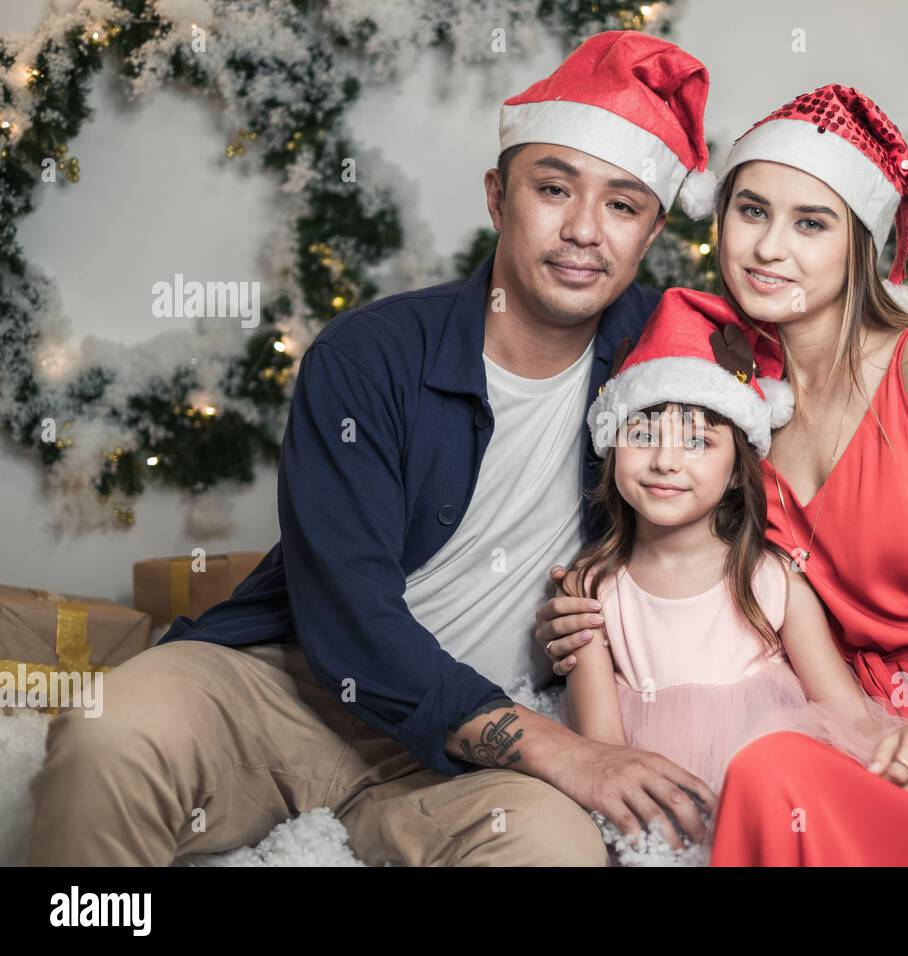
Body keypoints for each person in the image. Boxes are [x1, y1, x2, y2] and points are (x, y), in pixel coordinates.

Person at [26, 30, 721, 867]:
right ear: (499, 198)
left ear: (650, 234)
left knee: (552, 849)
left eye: (621, 204)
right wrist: (558, 748)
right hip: (289, 686)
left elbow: (822, 369)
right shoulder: (368, 357)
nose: (583, 230)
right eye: (553, 189)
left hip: (469, 753)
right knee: (112, 729)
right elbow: (350, 617)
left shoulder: (670, 363)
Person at [535, 84, 908, 866]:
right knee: (767, 775)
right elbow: (679, 561)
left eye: (809, 223)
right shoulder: (733, 407)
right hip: (857, 721)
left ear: (859, 244)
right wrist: (580, 620)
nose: (768, 248)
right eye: (750, 212)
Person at [557, 288, 908, 856]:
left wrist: (904, 766)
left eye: (698, 442)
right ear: (612, 446)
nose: (665, 461)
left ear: (737, 471)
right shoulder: (593, 588)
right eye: (642, 434)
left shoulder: (769, 577)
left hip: (775, 793)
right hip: (658, 795)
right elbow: (603, 747)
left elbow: (845, 710)